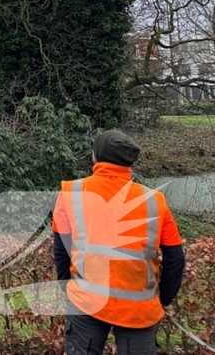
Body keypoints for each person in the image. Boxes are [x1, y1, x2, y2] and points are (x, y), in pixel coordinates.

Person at [52, 129, 186, 355]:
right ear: (129, 162)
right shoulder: (155, 200)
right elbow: (175, 257)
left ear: (95, 156)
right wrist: (163, 299)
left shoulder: (71, 193)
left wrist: (68, 289)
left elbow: (61, 250)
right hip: (140, 309)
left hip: (86, 302)